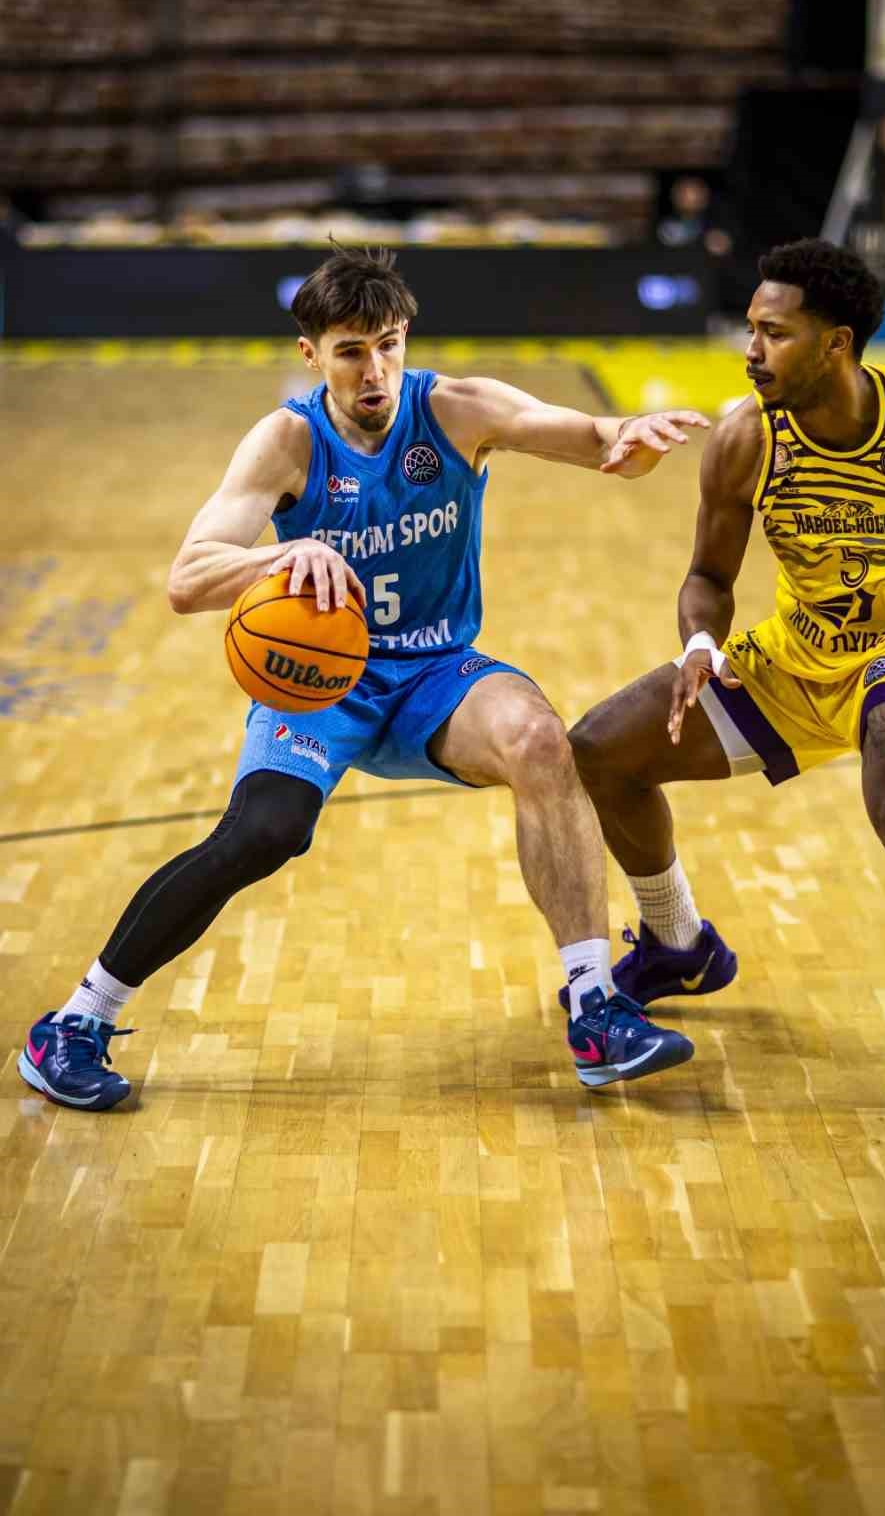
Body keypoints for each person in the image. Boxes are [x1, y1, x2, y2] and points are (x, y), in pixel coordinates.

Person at [18, 244, 710, 1111]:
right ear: (311, 356)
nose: (375, 369)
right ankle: (75, 1023)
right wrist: (284, 554)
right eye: (351, 351)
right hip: (322, 683)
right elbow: (187, 579)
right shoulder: (289, 441)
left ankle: (596, 1006)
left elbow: (587, 436)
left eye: (388, 344)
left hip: (437, 673)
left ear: (406, 338)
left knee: (540, 740)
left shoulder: (456, 409)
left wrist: (627, 439)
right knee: (264, 834)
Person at [568, 237, 885, 1143]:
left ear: (836, 344)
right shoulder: (746, 439)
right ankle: (680, 943)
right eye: (752, 330)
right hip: (799, 656)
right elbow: (707, 576)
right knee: (600, 749)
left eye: (773, 333)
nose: (750, 350)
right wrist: (699, 645)